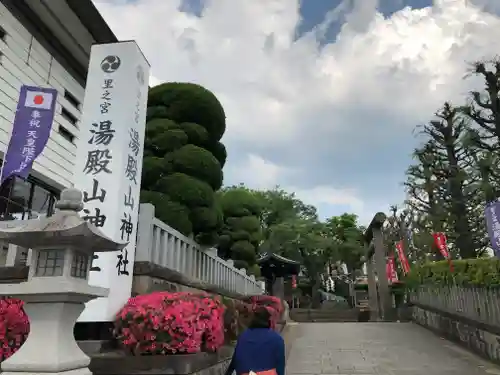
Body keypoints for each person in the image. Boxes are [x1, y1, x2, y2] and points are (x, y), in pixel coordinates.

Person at [224, 306, 285, 375]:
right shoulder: (277, 339)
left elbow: (235, 362)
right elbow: (280, 368)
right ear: (269, 320)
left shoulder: (243, 337)